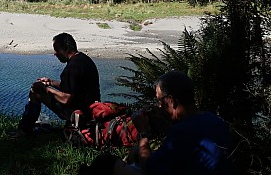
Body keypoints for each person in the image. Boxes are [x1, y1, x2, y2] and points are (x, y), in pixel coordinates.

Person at [83, 70, 233, 175]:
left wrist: (142, 133)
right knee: (135, 155)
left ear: (172, 101)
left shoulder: (181, 132)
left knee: (106, 162)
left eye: (160, 101)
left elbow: (150, 169)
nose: (159, 106)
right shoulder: (214, 120)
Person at [13, 32, 100, 137]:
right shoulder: (83, 60)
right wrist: (50, 82)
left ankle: (24, 130)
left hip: (78, 112)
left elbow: (66, 99)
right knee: (40, 89)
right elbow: (71, 87)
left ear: (65, 49)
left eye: (56, 49)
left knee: (35, 91)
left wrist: (45, 89)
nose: (55, 53)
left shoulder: (72, 68)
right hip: (91, 109)